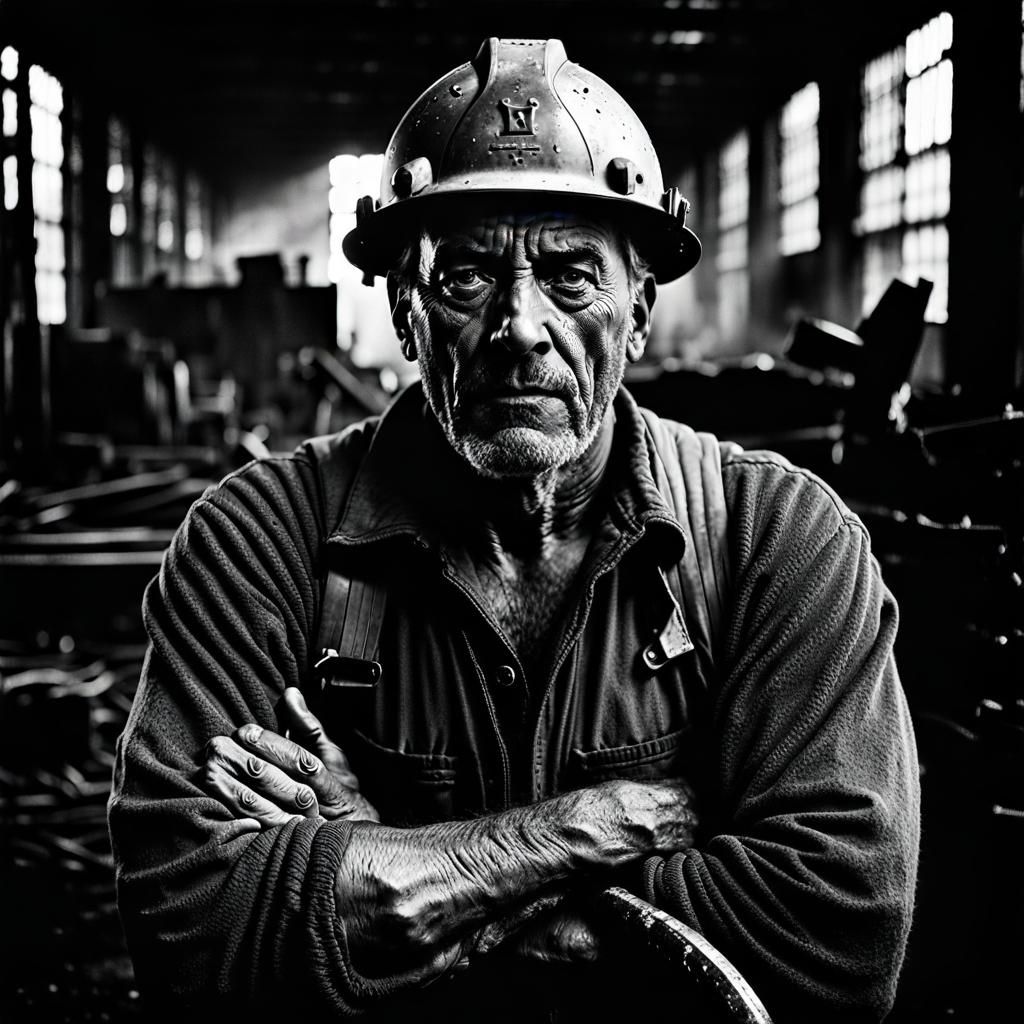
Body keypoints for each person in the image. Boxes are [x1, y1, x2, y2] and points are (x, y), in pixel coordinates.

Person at [108, 38, 920, 1024]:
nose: (519, 326)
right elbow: (189, 929)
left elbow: (834, 942)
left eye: (572, 274)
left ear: (637, 313)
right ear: (406, 314)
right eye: (466, 279)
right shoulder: (258, 541)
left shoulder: (780, 541)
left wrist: (386, 854)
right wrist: (586, 830)